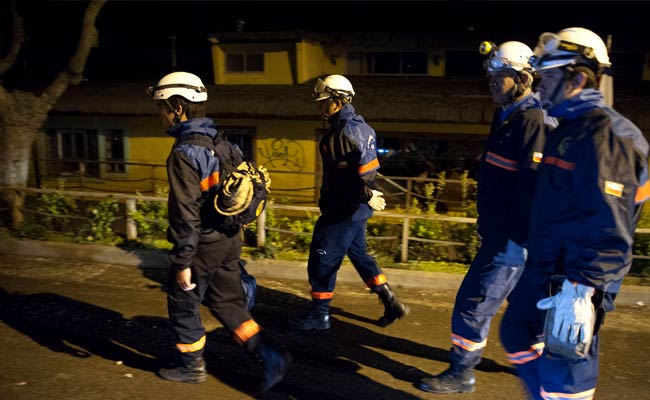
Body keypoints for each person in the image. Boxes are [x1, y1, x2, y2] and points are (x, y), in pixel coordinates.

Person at [500, 27, 649, 400]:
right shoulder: (568, 128)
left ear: (578, 78)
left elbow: (609, 227)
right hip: (548, 266)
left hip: (576, 277)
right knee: (516, 331)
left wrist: (582, 290)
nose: (538, 86)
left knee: (566, 370)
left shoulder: (605, 136)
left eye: (548, 77)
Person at [417, 41, 550, 394]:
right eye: (489, 74)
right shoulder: (506, 114)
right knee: (523, 303)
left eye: (500, 75)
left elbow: (532, 188)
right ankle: (538, 360)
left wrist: (514, 239)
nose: (491, 81)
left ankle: (462, 372)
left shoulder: (531, 119)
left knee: (474, 300)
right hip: (502, 232)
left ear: (523, 77)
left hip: (511, 238)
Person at [147, 71, 290, 392]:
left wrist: (183, 261)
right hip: (229, 238)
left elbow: (185, 214)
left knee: (182, 303)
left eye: (161, 109)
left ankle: (191, 367)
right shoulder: (223, 142)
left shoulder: (184, 153)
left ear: (178, 108)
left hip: (201, 245)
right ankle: (270, 355)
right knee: (228, 303)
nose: (160, 115)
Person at [290, 74, 409, 332]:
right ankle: (391, 302)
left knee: (322, 256)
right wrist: (367, 195)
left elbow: (362, 171)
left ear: (337, 101)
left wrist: (366, 193)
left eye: (323, 101)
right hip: (356, 207)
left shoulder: (346, 131)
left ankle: (320, 315)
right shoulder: (353, 127)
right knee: (359, 255)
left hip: (345, 208)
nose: (319, 106)